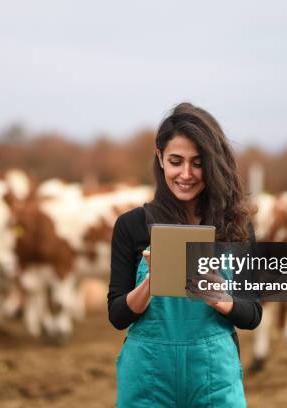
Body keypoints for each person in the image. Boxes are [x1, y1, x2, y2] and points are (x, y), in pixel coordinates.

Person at [108, 102, 262, 407]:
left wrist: (220, 298)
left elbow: (253, 315)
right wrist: (152, 283)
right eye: (176, 161)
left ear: (212, 162)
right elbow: (117, 315)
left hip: (214, 376)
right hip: (147, 376)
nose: (186, 174)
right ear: (160, 157)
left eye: (197, 162)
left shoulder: (236, 228)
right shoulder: (132, 226)